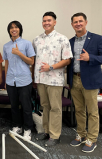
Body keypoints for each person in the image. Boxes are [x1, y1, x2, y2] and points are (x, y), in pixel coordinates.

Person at [67, 12, 102, 152]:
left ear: (86, 22)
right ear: (72, 25)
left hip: (90, 81)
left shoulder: (97, 39)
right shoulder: (70, 42)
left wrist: (90, 57)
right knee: (79, 110)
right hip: (74, 79)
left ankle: (92, 139)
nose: (78, 24)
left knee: (92, 112)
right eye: (75, 22)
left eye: (80, 21)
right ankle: (81, 134)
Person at [32, 12, 73, 146]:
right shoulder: (37, 40)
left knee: (55, 107)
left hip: (55, 79)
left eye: (49, 20)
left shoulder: (62, 39)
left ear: (55, 22)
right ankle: (47, 131)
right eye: (44, 21)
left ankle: (55, 135)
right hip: (41, 79)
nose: (46, 23)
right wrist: (34, 78)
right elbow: (34, 60)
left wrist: (51, 67)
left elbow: (67, 60)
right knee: (45, 106)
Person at [3, 21, 36, 140]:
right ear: (9, 31)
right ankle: (17, 126)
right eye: (11, 28)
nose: (14, 29)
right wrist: (6, 80)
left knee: (26, 106)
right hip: (11, 80)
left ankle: (28, 129)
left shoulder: (27, 44)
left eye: (16, 27)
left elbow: (31, 62)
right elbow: (6, 63)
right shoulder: (6, 46)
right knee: (14, 106)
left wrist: (19, 53)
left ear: (20, 29)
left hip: (24, 79)